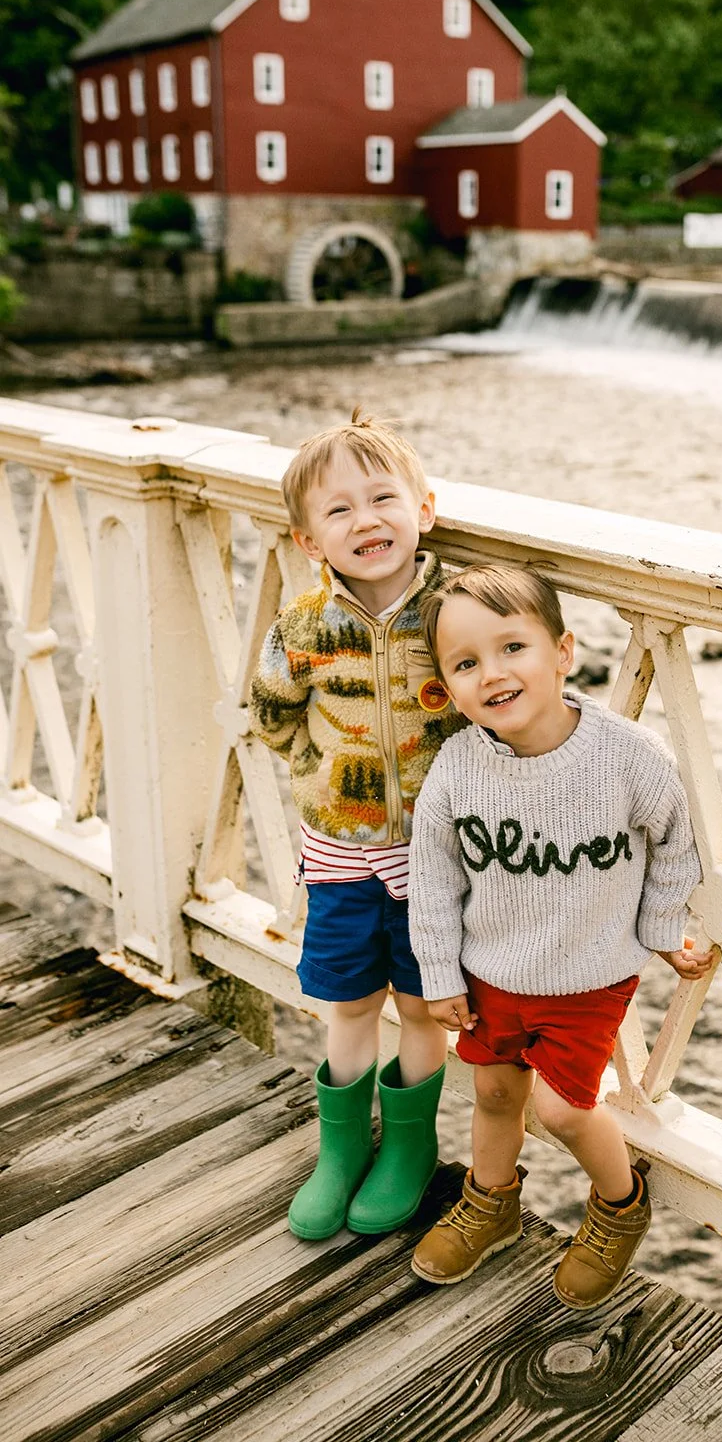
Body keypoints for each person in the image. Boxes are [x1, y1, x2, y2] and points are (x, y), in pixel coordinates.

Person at [407, 565, 709, 1308]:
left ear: (564, 652)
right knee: (492, 1088)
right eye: (466, 663)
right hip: (491, 971)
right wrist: (440, 974)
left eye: (513, 647)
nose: (493, 674)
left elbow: (674, 841)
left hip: (588, 974)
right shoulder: (458, 765)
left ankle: (617, 1205)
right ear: (446, 685)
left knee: (564, 1109)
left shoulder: (626, 755)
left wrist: (662, 927)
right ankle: (491, 1199)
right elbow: (434, 877)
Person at [248, 408, 463, 1241]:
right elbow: (273, 717)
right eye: (338, 510)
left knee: (420, 1006)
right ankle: (339, 1151)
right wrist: (321, 774)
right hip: (340, 852)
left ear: (425, 509)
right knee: (347, 1004)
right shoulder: (301, 630)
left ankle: (406, 1147)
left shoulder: (450, 614)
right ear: (310, 542)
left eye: (382, 498)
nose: (365, 520)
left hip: (436, 862)